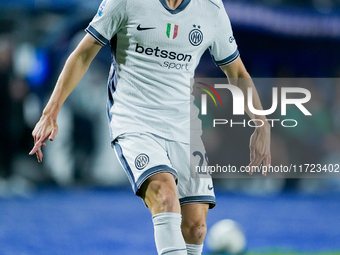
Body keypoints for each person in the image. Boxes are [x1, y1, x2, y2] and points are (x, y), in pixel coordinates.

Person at [29, 0, 271, 254]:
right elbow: (83, 54)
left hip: (183, 124)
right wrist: (50, 112)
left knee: (196, 226)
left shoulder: (211, 8)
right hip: (134, 118)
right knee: (165, 197)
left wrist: (261, 122)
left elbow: (236, 72)